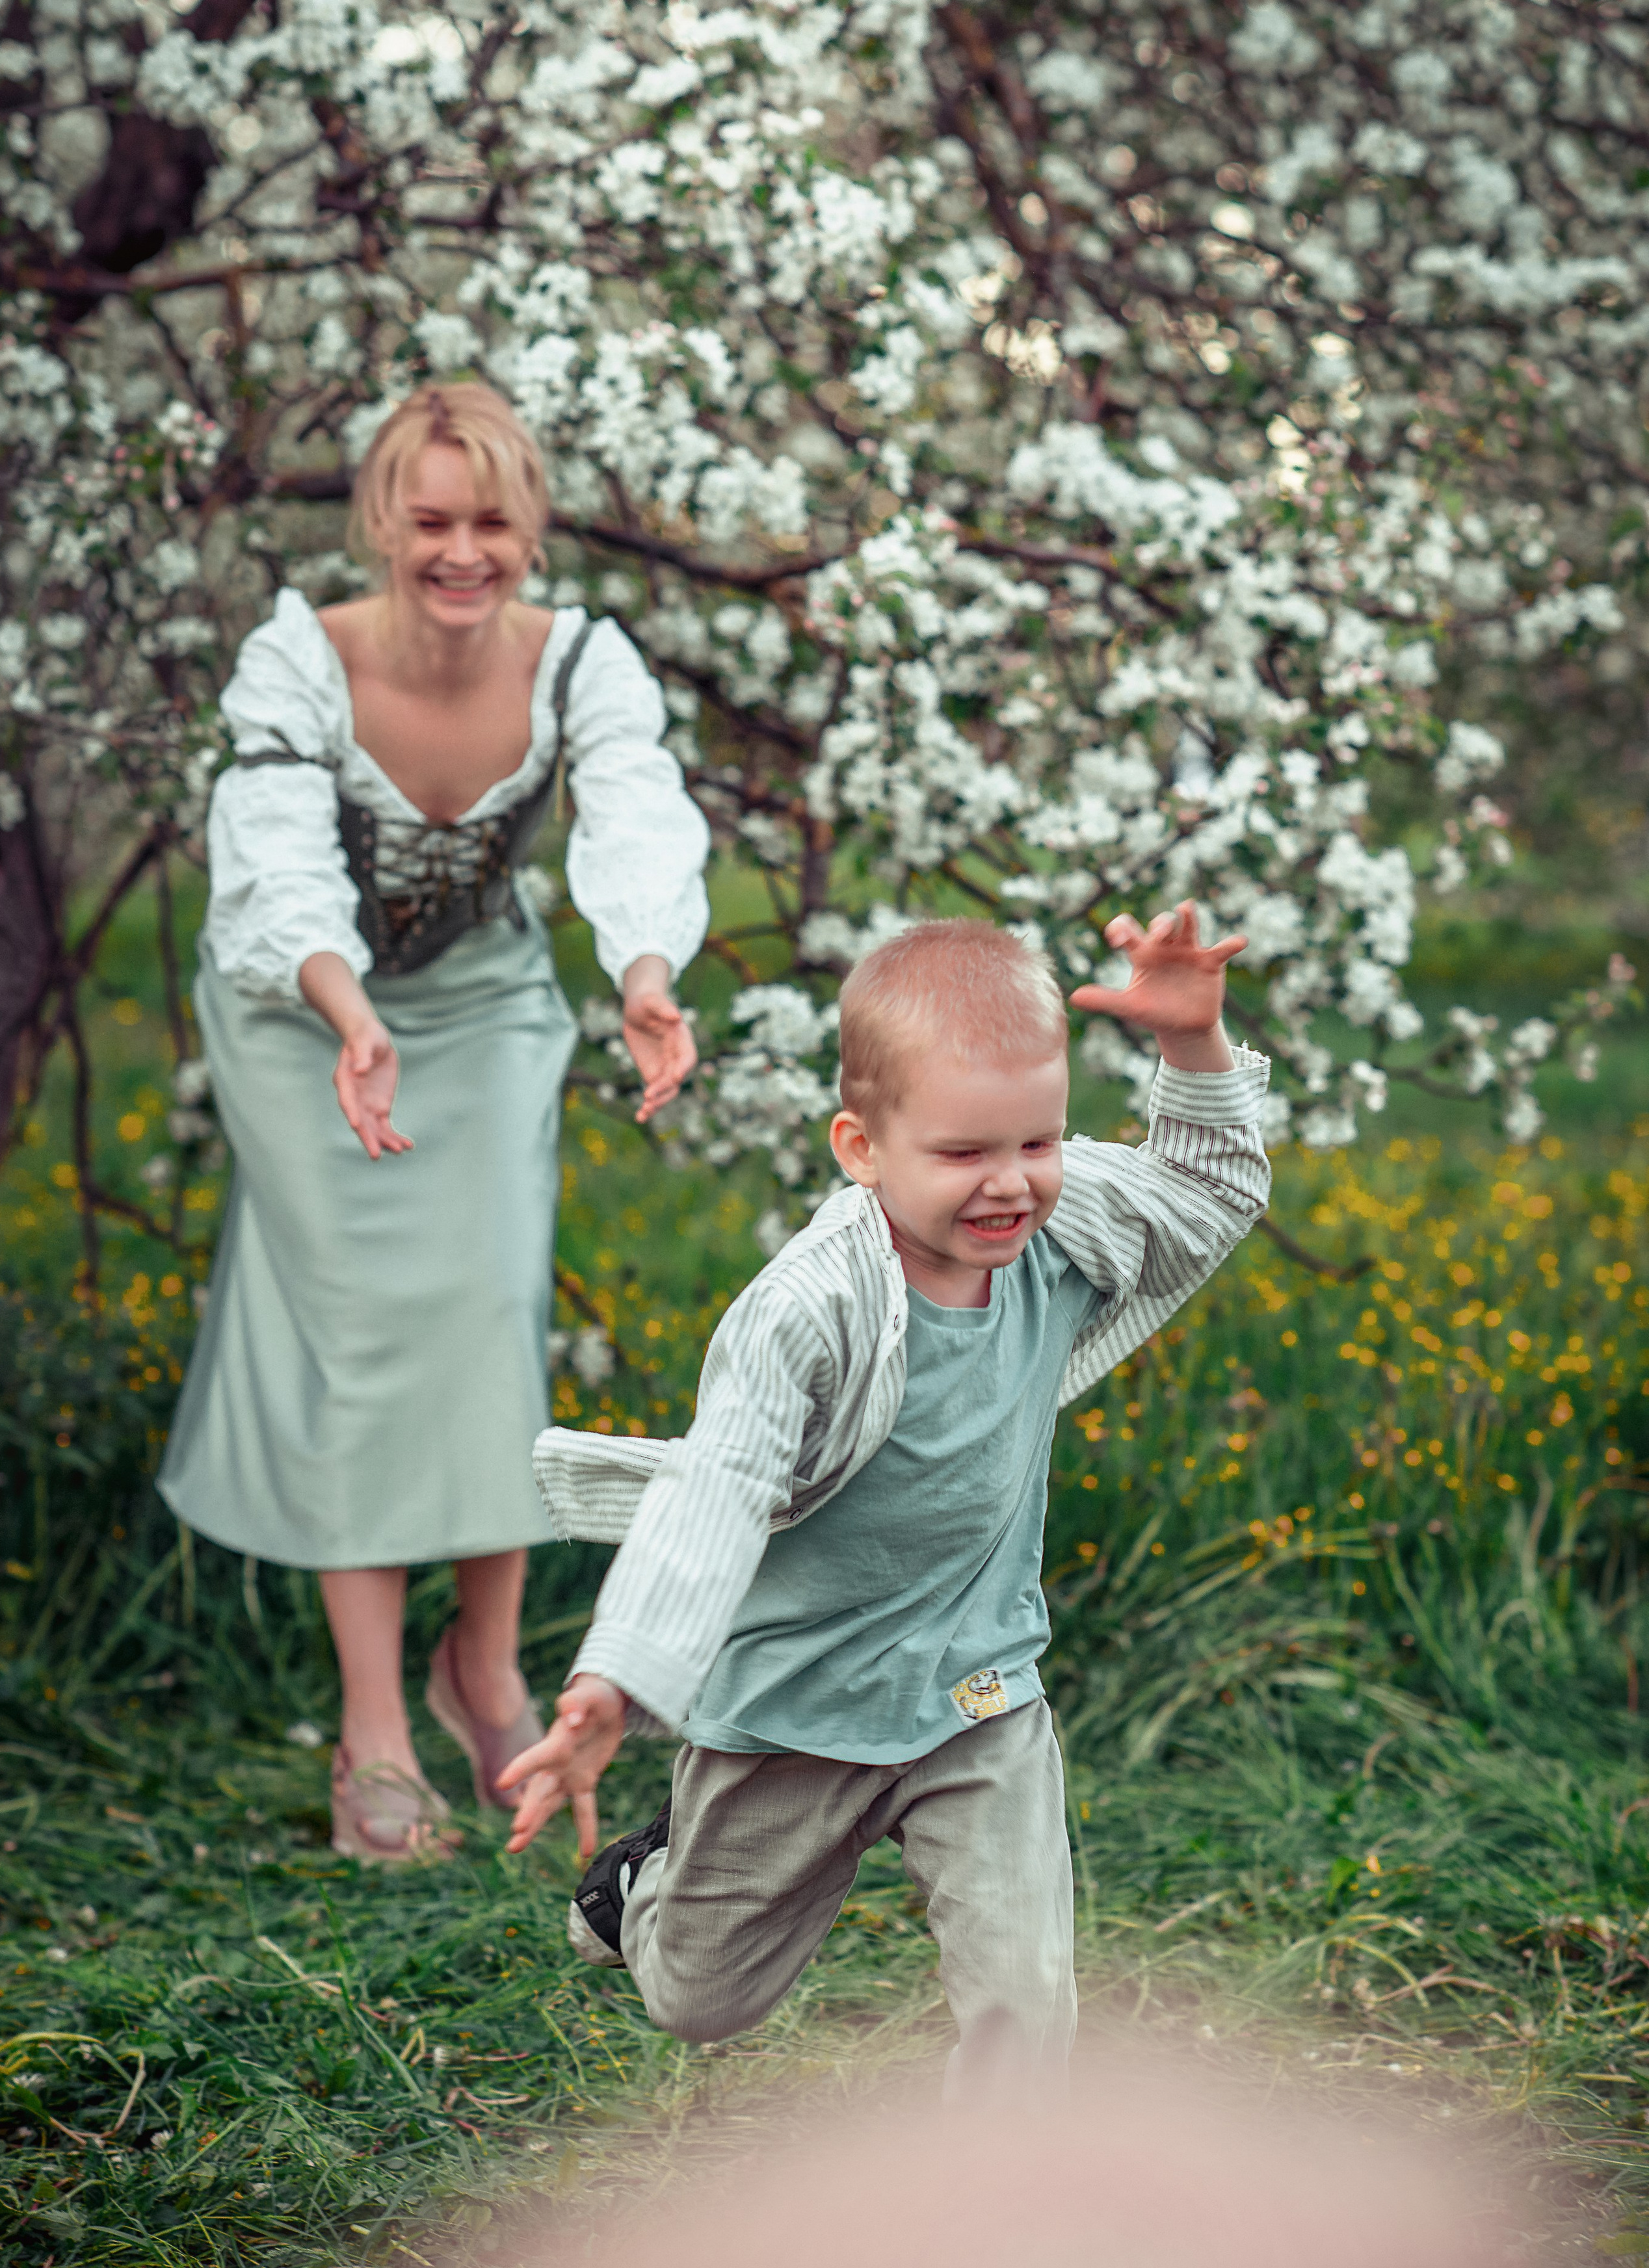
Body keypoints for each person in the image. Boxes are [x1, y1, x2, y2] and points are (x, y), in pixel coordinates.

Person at [501, 907, 1270, 2094]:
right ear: (862, 1147)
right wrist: (619, 1681)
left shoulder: (1061, 1236)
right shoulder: (806, 1311)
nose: (1010, 1182)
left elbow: (1208, 1195)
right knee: (701, 1999)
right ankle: (647, 1883)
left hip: (977, 1688)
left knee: (1026, 1998)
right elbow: (716, 1490)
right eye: (963, 1153)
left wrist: (1193, 1045)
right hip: (798, 1700)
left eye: (1039, 1140)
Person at [159, 381, 710, 1864]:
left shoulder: (579, 657)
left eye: (494, 524)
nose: (464, 553)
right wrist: (349, 1014)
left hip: (479, 1004)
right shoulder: (304, 656)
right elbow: (276, 862)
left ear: (531, 530)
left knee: (487, 1310)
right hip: (304, 1010)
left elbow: (638, 812)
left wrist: (645, 977)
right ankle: (374, 1731)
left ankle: (483, 1665)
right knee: (363, 1335)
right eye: (432, 522)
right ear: (380, 525)